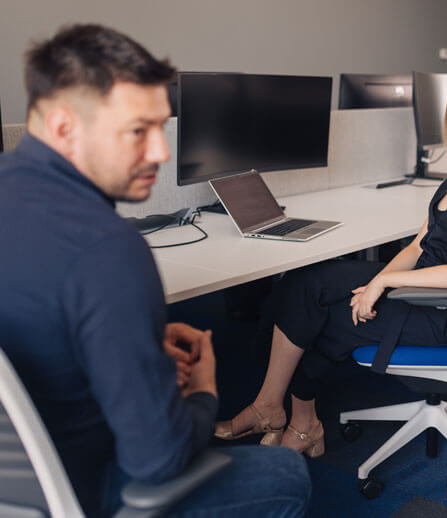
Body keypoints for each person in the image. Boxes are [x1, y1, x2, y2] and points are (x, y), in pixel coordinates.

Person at [0, 24, 309, 517]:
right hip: (83, 487)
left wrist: (133, 340)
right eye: (138, 132)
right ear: (63, 128)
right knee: (286, 475)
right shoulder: (106, 249)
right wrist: (207, 390)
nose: (161, 153)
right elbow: (158, 460)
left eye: (161, 128)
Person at [215, 72, 447, 454]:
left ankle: (299, 423)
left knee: (327, 316)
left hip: (445, 309)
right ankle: (275, 409)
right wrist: (380, 278)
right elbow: (418, 245)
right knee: (305, 285)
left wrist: (383, 284)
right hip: (422, 288)